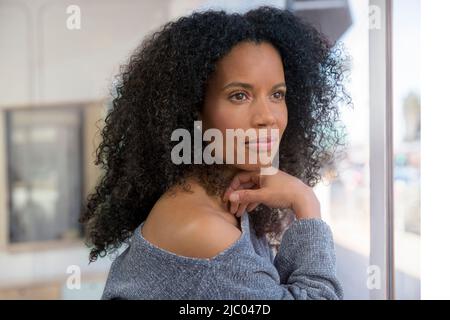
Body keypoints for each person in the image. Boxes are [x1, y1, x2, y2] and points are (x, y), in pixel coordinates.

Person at [80, 6, 350, 300]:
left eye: (277, 94)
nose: (267, 117)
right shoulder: (206, 234)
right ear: (193, 110)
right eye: (239, 95)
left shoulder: (223, 201)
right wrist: (306, 201)